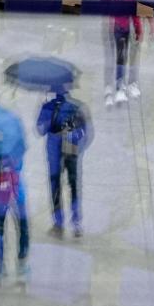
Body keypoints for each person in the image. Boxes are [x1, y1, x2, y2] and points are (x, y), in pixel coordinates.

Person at [36, 91, 92, 238]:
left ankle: (58, 224)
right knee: (73, 184)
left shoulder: (48, 107)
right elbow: (84, 132)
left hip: (54, 151)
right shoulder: (75, 107)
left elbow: (40, 129)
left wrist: (45, 113)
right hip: (70, 147)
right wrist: (74, 136)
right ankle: (76, 223)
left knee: (56, 185)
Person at [103, 0, 154, 107]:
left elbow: (146, 9)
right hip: (118, 28)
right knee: (116, 59)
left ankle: (129, 85)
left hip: (131, 28)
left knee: (131, 58)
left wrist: (149, 27)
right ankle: (113, 88)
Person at [0, 155, 29, 280]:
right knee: (6, 229)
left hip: (10, 190)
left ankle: (7, 265)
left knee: (20, 227)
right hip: (6, 190)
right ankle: (4, 266)